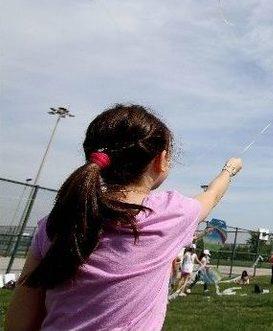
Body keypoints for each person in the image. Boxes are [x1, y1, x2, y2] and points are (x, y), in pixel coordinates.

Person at [4, 104, 243, 330]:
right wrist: (229, 169)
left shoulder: (56, 223)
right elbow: (212, 195)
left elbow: (18, 323)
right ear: (159, 161)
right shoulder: (171, 215)